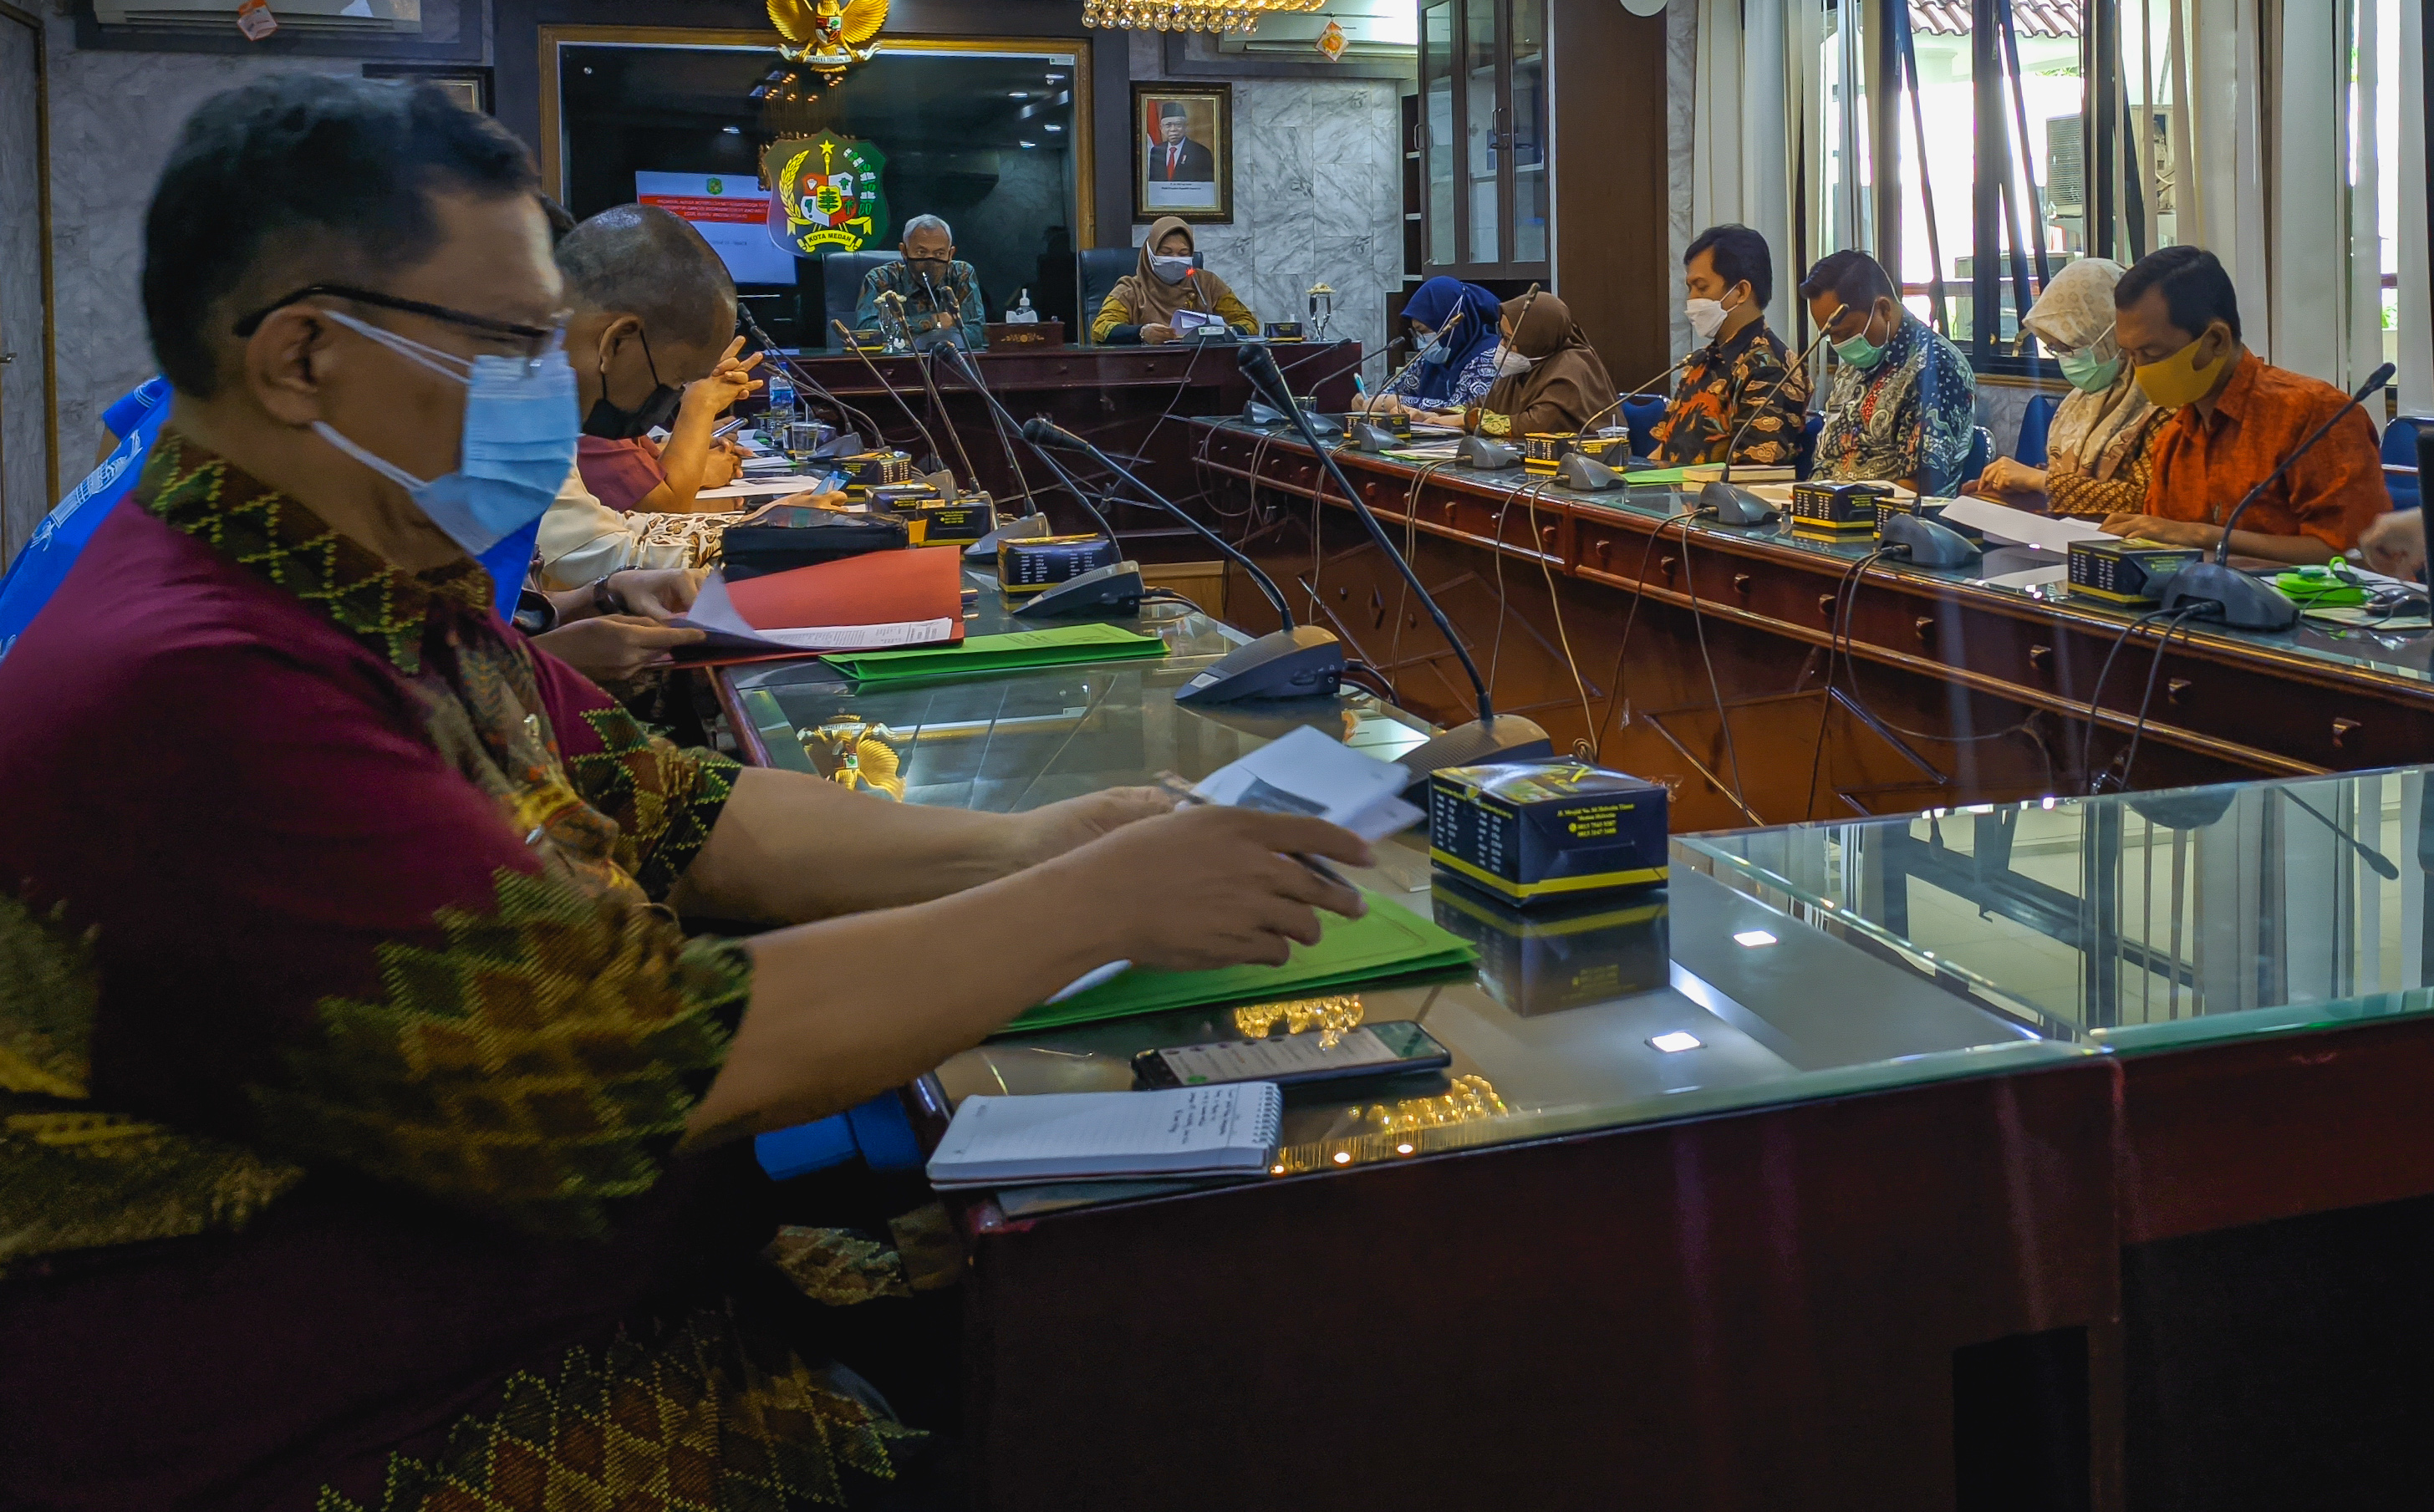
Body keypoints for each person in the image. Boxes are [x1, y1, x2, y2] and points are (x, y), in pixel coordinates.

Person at [0, 76, 1375, 1508]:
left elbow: (678, 806)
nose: (556, 375)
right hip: (384, 1427)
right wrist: (1079, 907)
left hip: (572, 1309)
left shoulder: (367, 577)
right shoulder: (197, 684)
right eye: (509, 342)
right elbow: (631, 1063)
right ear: (299, 357)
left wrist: (1027, 843)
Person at [2100, 242, 2390, 563]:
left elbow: (2359, 554)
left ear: (2216, 340)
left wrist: (2202, 536)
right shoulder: (2175, 437)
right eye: (2131, 355)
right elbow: (2163, 545)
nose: (2141, 370)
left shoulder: (2315, 415)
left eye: (2154, 355)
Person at [563, 202, 761, 512]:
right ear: (617, 342)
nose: (670, 398)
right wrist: (701, 404)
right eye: (678, 380)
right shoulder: (558, 416)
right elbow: (639, 530)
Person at [1972, 255, 2163, 517]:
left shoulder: (2160, 401)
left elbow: (2145, 500)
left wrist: (2040, 482)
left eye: (2071, 347)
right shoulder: (2077, 405)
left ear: (2108, 333)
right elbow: (2063, 477)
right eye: (2054, 348)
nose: (2065, 358)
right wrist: (2019, 483)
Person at [1802, 248, 1977, 494]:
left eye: (1845, 333)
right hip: (1827, 514)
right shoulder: (1855, 364)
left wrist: (1838, 506)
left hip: (1895, 524)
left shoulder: (1935, 367)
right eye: (1830, 336)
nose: (1841, 345)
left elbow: (1919, 487)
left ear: (1883, 309)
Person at [1652, 225, 1806, 468]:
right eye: (1690, 288)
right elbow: (1662, 454)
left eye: (1702, 288)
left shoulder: (1770, 368)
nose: (1692, 299)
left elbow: (1753, 472)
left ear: (1741, 292)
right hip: (1673, 501)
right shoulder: (1700, 362)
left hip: (1720, 504)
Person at [1472, 288, 1618, 439]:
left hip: (1589, 459)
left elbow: (1535, 425)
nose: (1502, 345)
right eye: (1503, 336)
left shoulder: (1571, 368)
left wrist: (1468, 421)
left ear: (1535, 340)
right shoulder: (1530, 364)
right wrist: (1448, 415)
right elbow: (1483, 404)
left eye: (1510, 340)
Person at [1091, 216, 1258, 343]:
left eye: (1183, 254)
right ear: (1150, 254)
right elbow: (1101, 328)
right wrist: (1142, 333)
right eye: (1166, 253)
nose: (1175, 259)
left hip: (1202, 369)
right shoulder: (1130, 289)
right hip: (1148, 372)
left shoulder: (1206, 283)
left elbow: (1248, 323)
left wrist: (1229, 331)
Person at [1362, 274, 1503, 425]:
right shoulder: (1431, 358)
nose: (1421, 340)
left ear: (1452, 324)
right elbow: (1394, 391)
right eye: (1416, 333)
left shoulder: (1489, 357)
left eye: (1423, 331)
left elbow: (1466, 410)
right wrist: (1369, 400)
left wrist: (1393, 403)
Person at [851, 212, 985, 344]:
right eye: (921, 252)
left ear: (950, 254)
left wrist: (911, 333)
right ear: (904, 251)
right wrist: (932, 321)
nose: (930, 261)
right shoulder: (881, 279)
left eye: (939, 253)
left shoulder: (961, 274)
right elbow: (866, 333)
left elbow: (977, 332)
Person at [1148, 98, 1215, 185]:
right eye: (1168, 125)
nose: (1173, 129)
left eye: (1178, 125)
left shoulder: (1201, 152)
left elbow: (1206, 186)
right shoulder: (1156, 151)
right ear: (1161, 128)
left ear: (1185, 126)